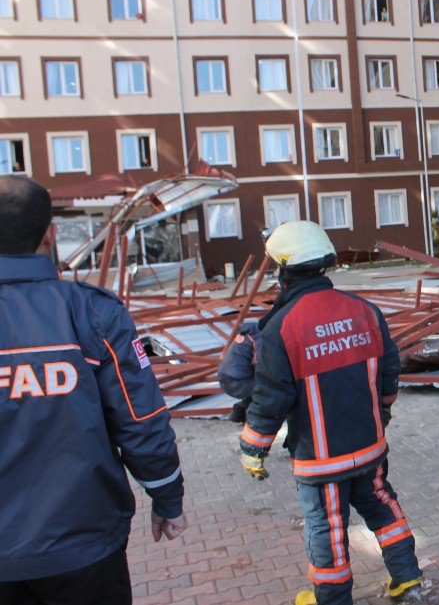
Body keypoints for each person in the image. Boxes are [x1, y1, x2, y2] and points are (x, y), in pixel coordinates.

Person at [0, 176, 186, 604]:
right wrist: (167, 497)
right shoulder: (92, 312)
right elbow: (140, 421)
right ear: (49, 233)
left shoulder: (92, 313)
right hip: (82, 547)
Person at [238, 221, 422, 605]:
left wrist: (253, 448)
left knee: (326, 524)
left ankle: (333, 598)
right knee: (382, 504)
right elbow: (389, 373)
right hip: (370, 444)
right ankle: (408, 578)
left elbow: (272, 395)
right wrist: (382, 414)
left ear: (286, 270)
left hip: (321, 459)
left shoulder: (281, 326)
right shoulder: (364, 310)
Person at [217, 320, 260, 423]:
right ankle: (255, 419)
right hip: (236, 382)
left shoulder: (249, 332)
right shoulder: (259, 337)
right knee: (267, 386)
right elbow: (260, 364)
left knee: (256, 384)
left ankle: (239, 411)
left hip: (225, 377)